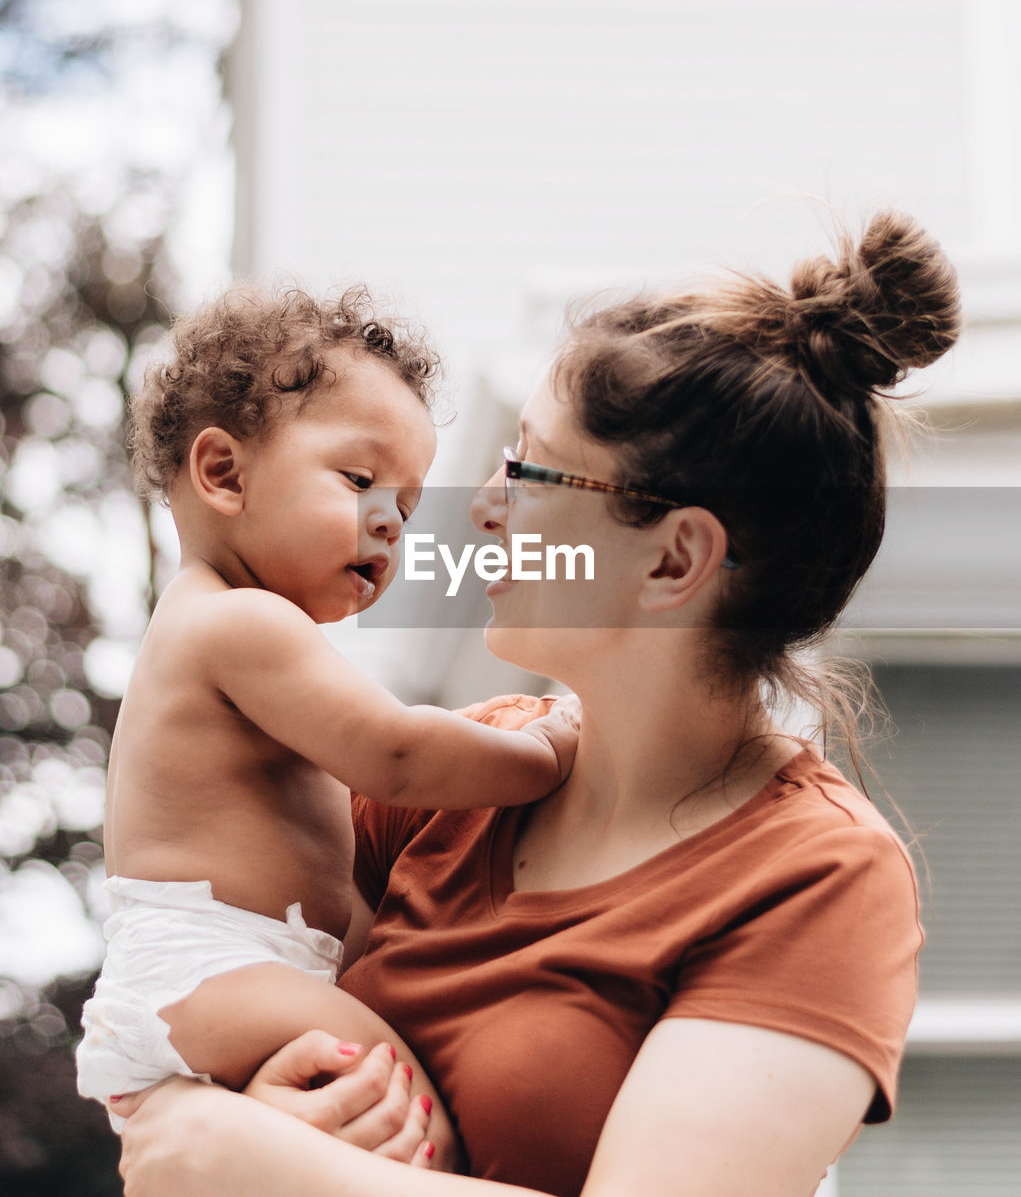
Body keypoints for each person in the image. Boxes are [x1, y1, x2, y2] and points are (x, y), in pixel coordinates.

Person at [115, 211, 960, 1197]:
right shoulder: (448, 784)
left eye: (530, 468)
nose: (480, 504)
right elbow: (207, 987)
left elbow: (216, 1156)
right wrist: (223, 1109)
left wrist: (237, 1151)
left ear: (674, 555)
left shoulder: (815, 878)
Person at [75, 286, 578, 1164]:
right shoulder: (237, 622)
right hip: (213, 966)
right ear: (224, 475)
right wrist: (547, 750)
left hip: (223, 973)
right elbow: (396, 753)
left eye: (407, 506)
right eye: (357, 481)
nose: (388, 520)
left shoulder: (223, 629)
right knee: (414, 1119)